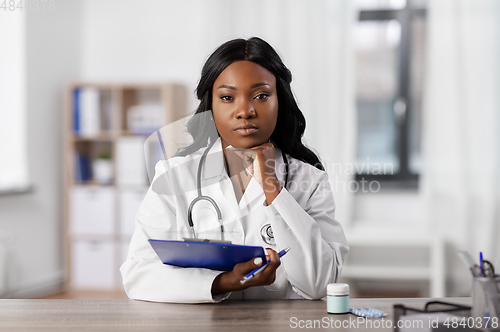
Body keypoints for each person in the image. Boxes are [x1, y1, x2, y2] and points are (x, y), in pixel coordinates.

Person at [120, 37, 349, 303]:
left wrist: (274, 189)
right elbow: (138, 273)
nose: (245, 111)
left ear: (280, 101)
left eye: (261, 96)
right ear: (212, 106)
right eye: (228, 97)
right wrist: (223, 282)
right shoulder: (173, 176)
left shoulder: (311, 181)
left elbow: (320, 285)